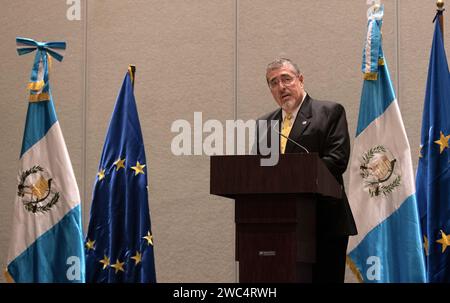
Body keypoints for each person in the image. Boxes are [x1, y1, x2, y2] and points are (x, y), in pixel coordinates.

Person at [256, 58, 357, 282]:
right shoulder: (264, 124)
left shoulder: (329, 112)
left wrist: (292, 174)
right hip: (279, 225)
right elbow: (259, 171)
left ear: (300, 80)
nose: (281, 87)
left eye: (286, 79)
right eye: (274, 83)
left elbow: (337, 160)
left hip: (324, 223)